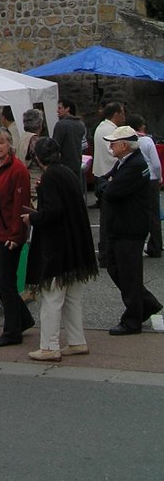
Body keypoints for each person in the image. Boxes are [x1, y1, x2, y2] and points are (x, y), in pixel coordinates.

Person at [20, 137, 98, 361]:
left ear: (37, 157)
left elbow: (53, 211)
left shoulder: (51, 177)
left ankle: (49, 346)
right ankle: (76, 341)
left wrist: (32, 217)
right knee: (72, 297)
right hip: (76, 245)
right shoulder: (66, 172)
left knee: (52, 297)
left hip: (59, 246)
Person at [102, 125, 163, 335]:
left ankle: (132, 319)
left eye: (114, 143)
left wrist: (109, 184)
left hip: (130, 227)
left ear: (125, 145)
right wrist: (108, 184)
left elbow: (111, 191)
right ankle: (146, 304)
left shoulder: (134, 165)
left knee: (128, 273)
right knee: (116, 268)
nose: (111, 146)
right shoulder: (125, 163)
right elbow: (104, 183)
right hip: (122, 226)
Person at [0, 127, 35, 347]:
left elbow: (19, 205)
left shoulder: (18, 170)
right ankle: (22, 318)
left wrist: (16, 234)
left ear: (9, 144)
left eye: (0, 143)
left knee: (6, 281)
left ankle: (12, 330)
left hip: (8, 234)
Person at [93, 101, 126, 265]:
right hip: (108, 176)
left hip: (100, 174)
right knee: (109, 218)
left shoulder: (101, 127)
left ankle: (106, 252)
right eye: (122, 113)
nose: (124, 116)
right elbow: (115, 153)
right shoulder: (111, 131)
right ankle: (106, 253)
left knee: (106, 217)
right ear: (116, 114)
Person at [127, 114, 162, 259]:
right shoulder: (147, 141)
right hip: (152, 179)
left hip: (137, 180)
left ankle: (137, 243)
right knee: (153, 213)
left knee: (139, 212)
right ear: (140, 126)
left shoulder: (129, 141)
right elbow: (156, 163)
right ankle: (156, 244)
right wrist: (160, 176)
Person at [52, 98, 86, 179]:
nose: (57, 111)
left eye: (60, 108)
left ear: (67, 109)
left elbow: (55, 146)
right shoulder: (81, 124)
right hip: (77, 165)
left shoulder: (61, 125)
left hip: (63, 167)